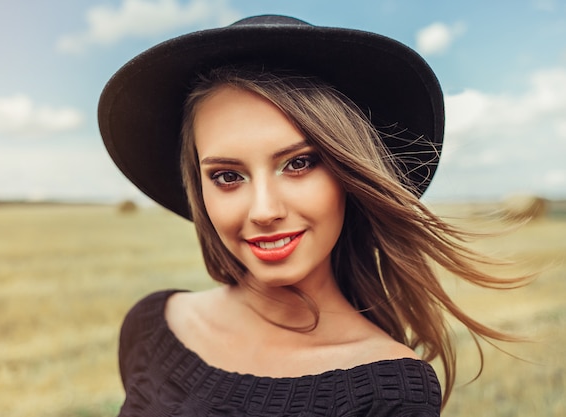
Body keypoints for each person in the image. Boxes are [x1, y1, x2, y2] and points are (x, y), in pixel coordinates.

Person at [98, 15, 525, 416]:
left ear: (350, 174)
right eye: (228, 175)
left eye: (299, 164)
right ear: (199, 188)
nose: (264, 211)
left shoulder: (390, 393)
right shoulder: (151, 327)